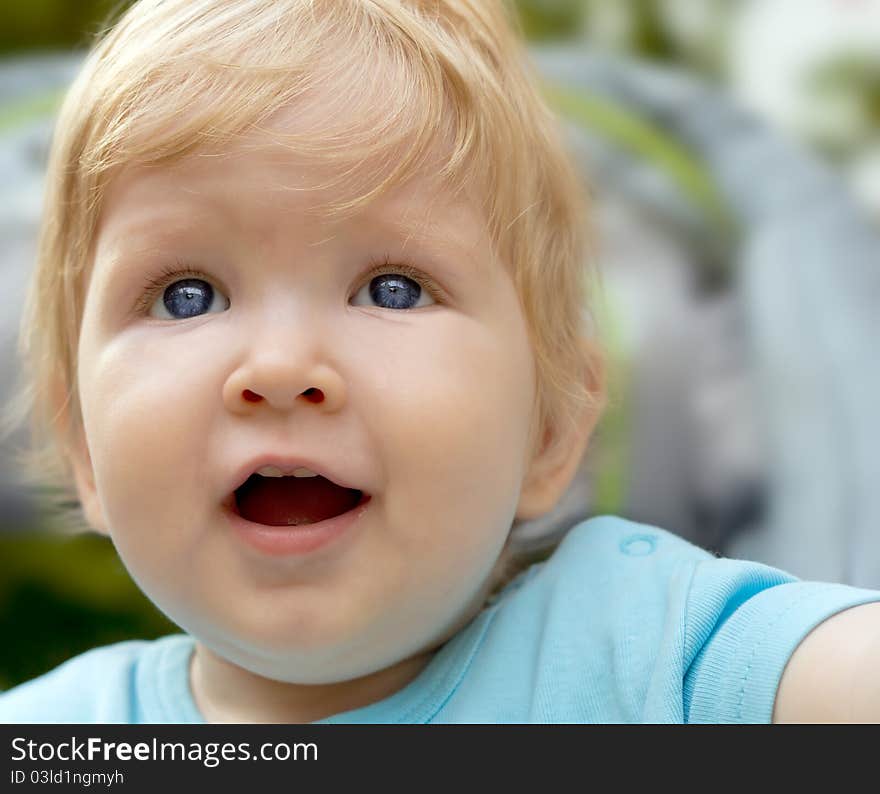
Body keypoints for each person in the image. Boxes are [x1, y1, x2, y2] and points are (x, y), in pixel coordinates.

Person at [1, 0, 879, 725]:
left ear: (550, 428)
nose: (276, 367)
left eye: (392, 288)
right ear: (82, 442)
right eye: (186, 295)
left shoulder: (650, 657)